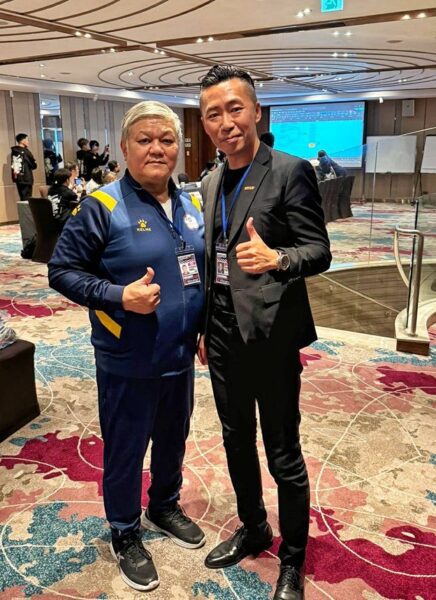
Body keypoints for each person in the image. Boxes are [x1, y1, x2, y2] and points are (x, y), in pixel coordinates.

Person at [48, 100, 206, 593]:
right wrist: (119, 296)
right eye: (145, 139)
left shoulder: (191, 205)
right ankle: (124, 529)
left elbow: (198, 272)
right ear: (124, 147)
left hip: (180, 355)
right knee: (126, 447)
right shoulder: (102, 206)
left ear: (179, 148)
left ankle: (164, 505)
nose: (157, 148)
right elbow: (62, 271)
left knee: (174, 437)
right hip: (128, 358)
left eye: (166, 140)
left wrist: (203, 327)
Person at [197, 65, 331, 600]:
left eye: (235, 109)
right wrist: (204, 329)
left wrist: (278, 259)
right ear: (204, 123)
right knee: (235, 441)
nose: (226, 122)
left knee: (282, 452)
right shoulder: (210, 180)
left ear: (255, 110)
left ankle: (293, 560)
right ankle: (254, 528)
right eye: (213, 113)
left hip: (271, 335)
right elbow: (211, 263)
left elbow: (319, 250)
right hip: (222, 335)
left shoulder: (290, 171)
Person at [47, 168, 78, 232]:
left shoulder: (50, 190)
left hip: (50, 221)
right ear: (67, 180)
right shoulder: (68, 193)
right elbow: (77, 202)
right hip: (63, 223)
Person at [11, 133, 37, 201]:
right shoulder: (26, 152)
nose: (28, 142)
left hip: (18, 178)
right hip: (26, 177)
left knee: (22, 197)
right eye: (27, 140)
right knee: (27, 199)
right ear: (22, 141)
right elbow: (34, 165)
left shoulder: (14, 151)